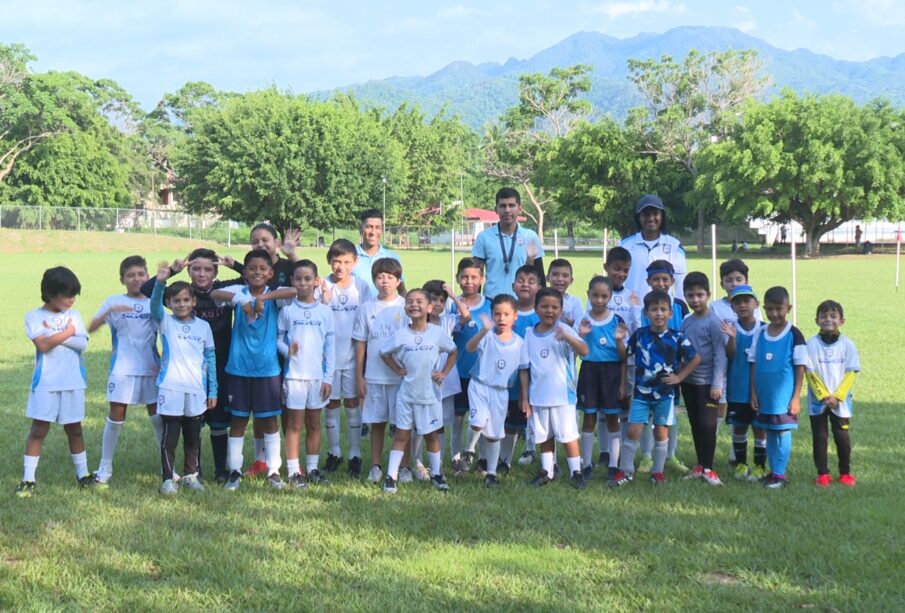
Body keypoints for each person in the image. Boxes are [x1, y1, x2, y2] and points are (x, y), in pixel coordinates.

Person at [141, 248, 243, 483]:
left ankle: (220, 470)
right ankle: (192, 472)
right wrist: (172, 272)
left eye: (208, 269)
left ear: (216, 271)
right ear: (189, 270)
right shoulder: (181, 295)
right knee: (190, 423)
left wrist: (235, 264)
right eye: (195, 268)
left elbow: (254, 279)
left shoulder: (224, 290)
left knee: (218, 421)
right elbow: (149, 292)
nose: (201, 273)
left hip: (218, 364)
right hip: (184, 372)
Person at [211, 250, 297, 491]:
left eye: (262, 269)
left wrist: (263, 301)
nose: (257, 272)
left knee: (269, 421)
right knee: (238, 420)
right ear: (245, 273)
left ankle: (273, 470)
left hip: (267, 370)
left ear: (270, 274)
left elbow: (293, 291)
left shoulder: (274, 296)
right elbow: (215, 293)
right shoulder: (239, 293)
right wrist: (244, 302)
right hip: (238, 369)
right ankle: (235, 470)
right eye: (252, 269)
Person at [16, 267, 97, 497]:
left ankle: (83, 475)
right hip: (46, 384)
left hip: (73, 383)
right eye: (67, 295)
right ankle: (28, 480)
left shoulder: (75, 315)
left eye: (74, 295)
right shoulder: (34, 317)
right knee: (39, 430)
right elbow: (41, 346)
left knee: (75, 430)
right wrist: (68, 333)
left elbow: (83, 344)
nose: (71, 300)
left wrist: (55, 337)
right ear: (50, 294)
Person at [612, 290, 700, 487]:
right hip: (641, 394)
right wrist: (619, 341)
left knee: (661, 433)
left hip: (665, 395)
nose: (659, 313)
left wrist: (680, 377)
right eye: (654, 310)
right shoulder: (640, 335)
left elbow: (695, 358)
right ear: (646, 313)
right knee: (633, 431)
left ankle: (658, 472)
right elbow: (624, 356)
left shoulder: (677, 337)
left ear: (670, 313)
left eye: (663, 309)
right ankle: (625, 471)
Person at [90, 256, 160, 485]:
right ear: (122, 279)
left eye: (141, 274)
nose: (136, 279)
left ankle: (166, 467)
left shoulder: (154, 302)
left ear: (148, 277)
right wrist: (106, 314)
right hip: (122, 369)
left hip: (151, 368)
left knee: (159, 416)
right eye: (131, 275)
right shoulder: (114, 301)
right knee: (116, 414)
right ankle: (105, 467)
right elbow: (91, 326)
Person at [379, 289, 457, 493]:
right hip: (406, 396)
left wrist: (444, 372)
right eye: (410, 301)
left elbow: (453, 350)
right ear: (405, 308)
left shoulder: (437, 333)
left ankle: (437, 475)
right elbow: (384, 353)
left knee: (432, 436)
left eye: (419, 301)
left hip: (429, 395)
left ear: (429, 308)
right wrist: (397, 369)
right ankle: (391, 476)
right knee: (401, 435)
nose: (414, 305)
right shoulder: (401, 334)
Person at [149, 265, 218, 495]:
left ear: (193, 302)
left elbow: (210, 359)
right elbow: (154, 305)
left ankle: (191, 475)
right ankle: (168, 479)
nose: (181, 304)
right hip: (171, 388)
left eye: (186, 300)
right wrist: (160, 283)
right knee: (171, 437)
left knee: (193, 437)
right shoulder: (165, 323)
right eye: (176, 301)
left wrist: (213, 391)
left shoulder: (204, 327)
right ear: (169, 304)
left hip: (197, 390)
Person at [523, 288, 590, 489]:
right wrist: (525, 397)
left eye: (554, 307)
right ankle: (547, 470)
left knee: (568, 434)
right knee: (544, 435)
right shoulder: (529, 334)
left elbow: (584, 350)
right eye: (544, 306)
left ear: (561, 310)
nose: (549, 311)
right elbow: (525, 369)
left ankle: (576, 471)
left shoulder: (565, 330)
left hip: (563, 395)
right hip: (538, 396)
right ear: (536, 308)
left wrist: (568, 337)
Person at [278, 260, 336, 488]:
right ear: (292, 281)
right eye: (298, 279)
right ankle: (294, 471)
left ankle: (312, 468)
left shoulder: (325, 312)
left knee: (314, 424)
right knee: (294, 425)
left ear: (316, 281)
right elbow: (278, 340)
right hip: (294, 377)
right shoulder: (287, 311)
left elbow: (330, 348)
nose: (303, 283)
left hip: (317, 378)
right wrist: (287, 351)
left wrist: (328, 378)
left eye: (308, 279)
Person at [463, 295, 529, 488]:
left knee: (494, 435)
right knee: (477, 421)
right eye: (497, 314)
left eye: (506, 314)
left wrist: (524, 396)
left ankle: (491, 473)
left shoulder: (519, 343)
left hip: (501, 392)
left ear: (515, 316)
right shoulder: (487, 335)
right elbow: (469, 348)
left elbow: (523, 371)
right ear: (492, 316)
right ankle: (469, 450)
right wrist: (483, 331)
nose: (501, 318)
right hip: (479, 385)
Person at [352, 257, 407, 485]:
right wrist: (359, 377)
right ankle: (375, 465)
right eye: (380, 276)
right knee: (377, 422)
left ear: (398, 280)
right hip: (374, 376)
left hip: (401, 377)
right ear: (374, 279)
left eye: (390, 277)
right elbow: (361, 344)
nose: (384, 281)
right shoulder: (367, 308)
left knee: (403, 424)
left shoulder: (406, 306)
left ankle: (404, 467)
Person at [320, 239, 372, 477]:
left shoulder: (361, 287)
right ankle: (334, 452)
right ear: (329, 261)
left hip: (353, 358)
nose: (341, 266)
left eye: (346, 261)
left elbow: (367, 323)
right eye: (336, 261)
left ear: (355, 262)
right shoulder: (321, 286)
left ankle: (354, 454)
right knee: (330, 405)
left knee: (352, 404)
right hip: (327, 360)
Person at [635, 259, 689, 475]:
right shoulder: (645, 305)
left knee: (669, 415)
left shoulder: (679, 306)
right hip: (648, 372)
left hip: (671, 373)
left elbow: (684, 336)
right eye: (656, 279)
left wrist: (680, 371)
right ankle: (647, 456)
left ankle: (670, 454)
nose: (660, 283)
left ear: (672, 281)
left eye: (664, 279)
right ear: (648, 281)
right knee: (647, 415)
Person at [749, 286, 807, 489]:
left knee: (782, 432)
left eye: (779, 309)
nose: (774, 314)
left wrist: (796, 397)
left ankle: (780, 474)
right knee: (770, 432)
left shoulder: (794, 334)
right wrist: (754, 392)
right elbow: (754, 363)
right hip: (765, 395)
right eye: (770, 309)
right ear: (764, 308)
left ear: (788, 308)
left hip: (784, 396)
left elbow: (800, 368)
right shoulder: (761, 332)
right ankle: (773, 472)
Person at [710, 258, 762, 467]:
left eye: (739, 279)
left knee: (751, 418)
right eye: (729, 280)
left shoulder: (752, 307)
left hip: (748, 372)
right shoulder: (716, 307)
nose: (734, 283)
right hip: (725, 369)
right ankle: (713, 450)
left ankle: (741, 456)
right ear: (722, 283)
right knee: (723, 409)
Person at [575, 276, 627, 480]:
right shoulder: (584, 320)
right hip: (589, 372)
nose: (599, 300)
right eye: (595, 295)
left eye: (604, 296)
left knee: (613, 418)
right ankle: (586, 464)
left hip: (612, 373)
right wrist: (580, 334)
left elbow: (624, 356)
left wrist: (623, 382)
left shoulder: (617, 321)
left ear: (610, 297)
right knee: (589, 418)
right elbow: (579, 352)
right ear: (588, 295)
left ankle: (614, 464)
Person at [805, 300, 860, 487]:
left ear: (842, 321)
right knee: (820, 437)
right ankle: (823, 474)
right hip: (817, 403)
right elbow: (809, 372)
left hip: (841, 403)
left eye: (833, 316)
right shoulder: (810, 344)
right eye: (824, 316)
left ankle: (845, 472)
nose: (828, 319)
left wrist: (837, 396)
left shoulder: (848, 345)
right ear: (816, 320)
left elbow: (851, 373)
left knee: (842, 437)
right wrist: (823, 396)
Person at [680, 272, 728, 486]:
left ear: (708, 294)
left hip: (708, 383)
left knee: (708, 425)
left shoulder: (714, 321)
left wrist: (717, 383)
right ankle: (700, 465)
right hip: (689, 383)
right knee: (696, 424)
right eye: (691, 295)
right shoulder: (687, 321)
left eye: (700, 295)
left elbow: (720, 353)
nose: (696, 300)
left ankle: (709, 468)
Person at [720, 285, 767, 482]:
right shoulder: (730, 328)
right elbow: (729, 354)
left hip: (759, 389)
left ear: (756, 304)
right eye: (737, 302)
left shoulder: (764, 329)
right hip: (737, 387)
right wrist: (732, 338)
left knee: (759, 427)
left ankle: (759, 466)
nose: (742, 305)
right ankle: (741, 464)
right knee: (739, 427)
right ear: (732, 306)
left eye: (747, 301)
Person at [424, 279, 470, 480]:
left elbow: (466, 316)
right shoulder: (418, 322)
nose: (437, 304)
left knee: (441, 422)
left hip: (445, 378)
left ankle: (438, 462)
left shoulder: (448, 321)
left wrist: (453, 296)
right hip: (424, 377)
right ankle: (418, 461)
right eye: (433, 299)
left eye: (441, 301)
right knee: (422, 422)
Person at [448, 258, 490, 474]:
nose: (469, 281)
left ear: (482, 279)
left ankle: (480, 457)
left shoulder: (490, 305)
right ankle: (456, 458)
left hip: (482, 374)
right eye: (464, 276)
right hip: (456, 372)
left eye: (474, 277)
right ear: (457, 278)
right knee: (457, 418)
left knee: (481, 419)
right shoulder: (448, 305)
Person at [472, 187, 545, 299]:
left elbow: (540, 275)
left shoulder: (530, 236)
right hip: (491, 301)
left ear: (520, 209)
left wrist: (541, 301)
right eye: (502, 206)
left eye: (511, 205)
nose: (507, 210)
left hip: (521, 302)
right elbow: (476, 274)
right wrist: (475, 302)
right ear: (496, 209)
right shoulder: (484, 237)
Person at [505, 265, 542, 469]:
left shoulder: (542, 313)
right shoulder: (507, 312)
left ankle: (534, 452)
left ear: (539, 286)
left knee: (536, 416)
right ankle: (504, 460)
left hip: (535, 377)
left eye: (531, 281)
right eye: (521, 280)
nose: (525, 284)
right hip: (510, 377)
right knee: (511, 420)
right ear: (513, 285)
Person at [620, 194, 687, 301]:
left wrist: (680, 311)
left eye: (655, 214)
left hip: (662, 313)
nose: (651, 218)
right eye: (646, 214)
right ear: (639, 217)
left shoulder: (675, 246)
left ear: (662, 216)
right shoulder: (624, 246)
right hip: (631, 311)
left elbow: (680, 287)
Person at [352, 209, 406, 296]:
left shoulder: (392, 257)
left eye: (377, 227)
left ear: (382, 230)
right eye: (369, 227)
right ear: (361, 228)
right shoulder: (350, 255)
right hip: (358, 309)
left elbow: (402, 290)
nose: (373, 232)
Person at [547, 258, 584, 326]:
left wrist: (566, 319)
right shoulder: (541, 300)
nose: (560, 279)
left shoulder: (575, 302)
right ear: (547, 278)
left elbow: (581, 326)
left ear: (571, 280)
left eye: (565, 276)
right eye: (555, 275)